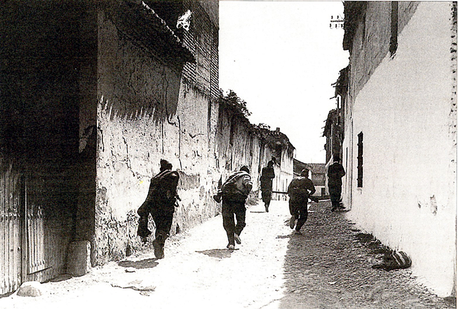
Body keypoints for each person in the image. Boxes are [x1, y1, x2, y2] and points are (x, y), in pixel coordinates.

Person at [137, 159, 180, 259]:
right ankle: (158, 243)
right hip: (166, 206)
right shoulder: (172, 175)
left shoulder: (155, 178)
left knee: (159, 226)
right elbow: (172, 191)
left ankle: (160, 250)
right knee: (165, 228)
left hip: (153, 207)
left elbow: (150, 195)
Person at [220, 166, 253, 250]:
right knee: (241, 221)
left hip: (226, 199)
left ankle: (231, 243)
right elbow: (248, 184)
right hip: (238, 199)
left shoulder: (232, 176)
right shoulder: (246, 175)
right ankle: (236, 233)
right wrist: (246, 193)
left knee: (228, 222)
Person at [287, 169, 316, 235]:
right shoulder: (307, 180)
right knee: (304, 215)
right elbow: (313, 190)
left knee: (295, 212)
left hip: (293, 198)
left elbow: (288, 191)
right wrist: (308, 195)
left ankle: (294, 216)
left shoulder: (294, 179)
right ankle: (297, 229)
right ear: (307, 175)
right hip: (302, 199)